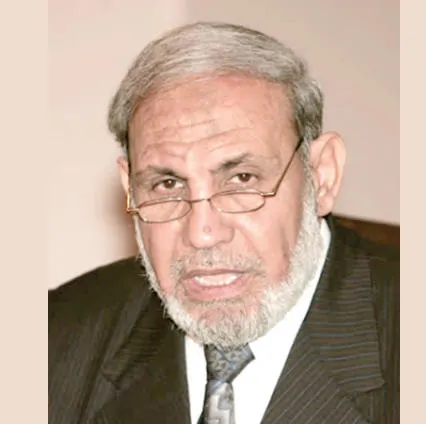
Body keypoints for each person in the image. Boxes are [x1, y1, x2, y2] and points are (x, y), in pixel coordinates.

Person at [49, 21, 399, 424]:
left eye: (241, 179)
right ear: (130, 188)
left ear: (322, 175)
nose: (202, 233)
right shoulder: (57, 339)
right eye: (167, 185)